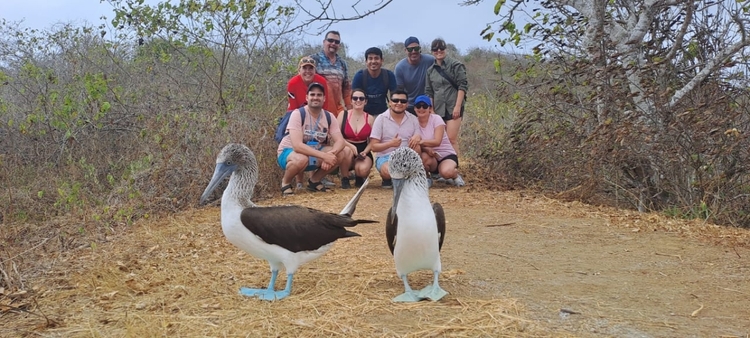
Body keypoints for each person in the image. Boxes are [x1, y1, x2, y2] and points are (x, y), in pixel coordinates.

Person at [277, 82, 353, 195]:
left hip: (314, 153)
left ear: (324, 98)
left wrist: (331, 154)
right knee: (301, 159)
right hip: (289, 152)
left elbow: (340, 141)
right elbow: (297, 146)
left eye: (319, 95)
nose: (315, 98)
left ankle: (314, 181)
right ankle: (285, 183)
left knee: (340, 154)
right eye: (312, 95)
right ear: (307, 97)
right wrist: (324, 156)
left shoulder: (329, 116)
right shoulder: (298, 114)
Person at [369, 89, 422, 188]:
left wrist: (417, 137)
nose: (399, 103)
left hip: (406, 156)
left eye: (403, 101)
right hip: (385, 157)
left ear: (407, 104)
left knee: (417, 147)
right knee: (388, 171)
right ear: (390, 102)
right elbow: (374, 147)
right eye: (395, 100)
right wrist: (391, 144)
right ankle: (389, 178)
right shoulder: (381, 119)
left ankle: (405, 177)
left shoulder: (413, 119)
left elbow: (418, 136)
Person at [425, 38, 468, 157]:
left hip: (453, 107)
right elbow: (429, 92)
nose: (438, 51)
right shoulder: (430, 71)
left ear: (446, 49)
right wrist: (431, 110)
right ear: (432, 51)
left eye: (441, 48)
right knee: (440, 140)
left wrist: (457, 107)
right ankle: (441, 167)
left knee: (451, 139)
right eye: (435, 49)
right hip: (438, 109)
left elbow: (462, 86)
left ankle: (454, 168)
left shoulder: (456, 65)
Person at [413, 95, 465, 187]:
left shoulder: (436, 119)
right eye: (418, 106)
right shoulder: (413, 122)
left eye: (424, 106)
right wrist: (427, 149)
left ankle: (455, 175)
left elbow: (437, 141)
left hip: (445, 155)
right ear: (414, 108)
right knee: (422, 155)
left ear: (430, 108)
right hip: (430, 157)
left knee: (446, 172)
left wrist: (421, 142)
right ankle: (426, 177)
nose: (421, 108)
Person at [337, 88, 375, 188]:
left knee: (362, 170)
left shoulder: (370, 118)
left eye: (361, 98)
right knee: (346, 151)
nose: (358, 100)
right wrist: (349, 145)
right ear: (351, 101)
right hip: (346, 146)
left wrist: (365, 152)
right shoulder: (343, 115)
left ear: (365, 101)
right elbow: (337, 135)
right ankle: (345, 178)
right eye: (355, 98)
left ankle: (359, 177)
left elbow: (373, 141)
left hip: (363, 149)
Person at [311, 30, 351, 117]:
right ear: (324, 42)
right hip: (318, 109)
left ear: (339, 45)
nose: (333, 43)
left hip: (338, 110)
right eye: (330, 40)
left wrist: (351, 111)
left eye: (336, 42)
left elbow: (346, 89)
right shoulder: (314, 60)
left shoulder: (342, 63)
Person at [394, 36, 435, 115]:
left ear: (420, 48)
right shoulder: (400, 68)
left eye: (416, 48)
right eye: (410, 49)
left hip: (428, 103)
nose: (413, 51)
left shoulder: (430, 61)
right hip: (410, 106)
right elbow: (399, 91)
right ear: (405, 50)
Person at [351, 47, 397, 116]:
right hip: (363, 115)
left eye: (376, 58)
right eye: (370, 58)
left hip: (383, 114)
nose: (373, 61)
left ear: (382, 60)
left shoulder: (388, 75)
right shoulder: (359, 76)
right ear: (366, 61)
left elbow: (395, 97)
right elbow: (354, 99)